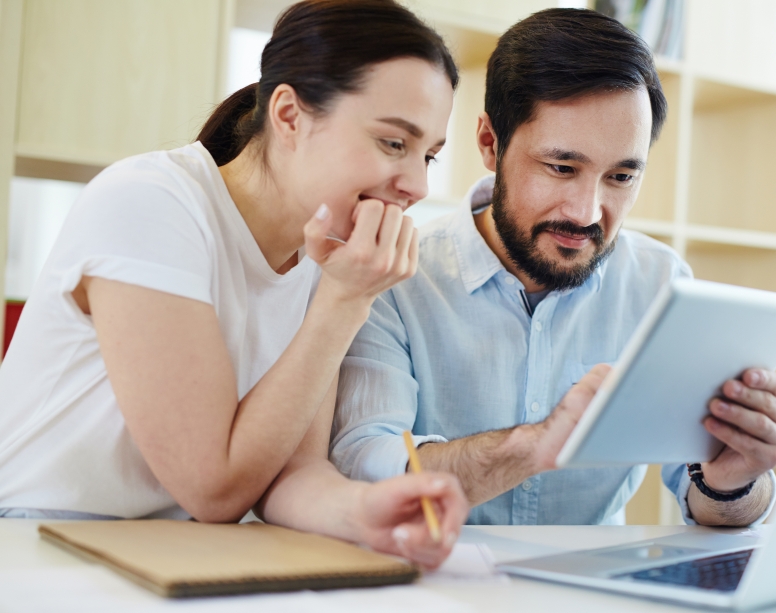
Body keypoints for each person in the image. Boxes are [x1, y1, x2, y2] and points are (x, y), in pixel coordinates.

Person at [0, 0, 468, 568]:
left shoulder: (326, 259)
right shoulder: (151, 202)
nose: (417, 184)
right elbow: (214, 488)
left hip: (175, 551)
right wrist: (346, 302)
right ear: (290, 115)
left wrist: (365, 511)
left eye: (431, 156)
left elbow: (289, 476)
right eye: (394, 143)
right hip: (34, 545)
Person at [331, 8, 776, 527]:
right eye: (562, 168)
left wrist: (732, 481)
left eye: (620, 177)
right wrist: (534, 445)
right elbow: (363, 466)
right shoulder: (394, 278)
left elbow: (708, 503)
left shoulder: (659, 283)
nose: (586, 212)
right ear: (489, 142)